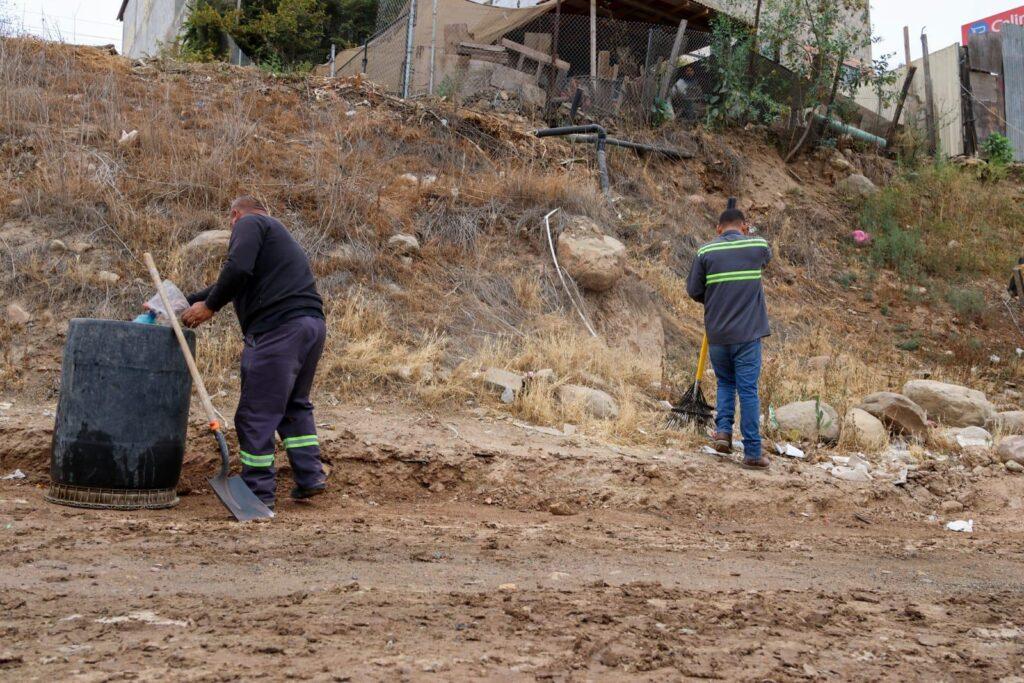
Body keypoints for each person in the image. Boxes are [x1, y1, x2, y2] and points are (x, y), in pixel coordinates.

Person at [182, 196, 328, 509]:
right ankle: (310, 476)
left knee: (256, 413)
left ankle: (257, 495)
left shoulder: (249, 223)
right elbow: (235, 280)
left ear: (233, 215)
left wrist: (209, 308)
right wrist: (185, 301)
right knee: (293, 405)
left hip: (278, 330)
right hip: (310, 326)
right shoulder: (274, 239)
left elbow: (236, 268)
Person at [686, 203, 772, 469]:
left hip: (718, 334)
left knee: (725, 383)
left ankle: (723, 433)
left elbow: (693, 290)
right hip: (747, 335)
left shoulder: (706, 251)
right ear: (744, 227)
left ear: (718, 229)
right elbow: (767, 256)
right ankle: (753, 453)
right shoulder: (757, 246)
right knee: (747, 390)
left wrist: (716, 300)